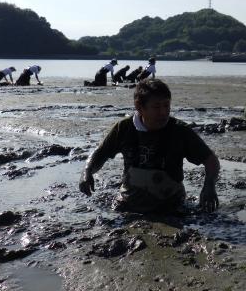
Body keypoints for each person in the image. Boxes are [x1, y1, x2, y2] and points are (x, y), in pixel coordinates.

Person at [79, 79, 220, 213]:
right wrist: (87, 172)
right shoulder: (124, 128)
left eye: (166, 105)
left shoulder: (180, 131)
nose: (163, 112)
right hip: (129, 202)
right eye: (157, 107)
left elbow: (211, 161)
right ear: (140, 107)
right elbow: (100, 153)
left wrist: (209, 186)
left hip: (171, 204)